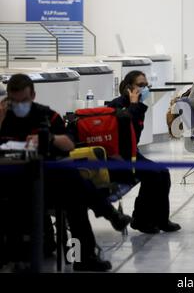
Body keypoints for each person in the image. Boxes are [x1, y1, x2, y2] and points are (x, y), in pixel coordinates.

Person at [0, 74, 128, 271]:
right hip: (12, 184)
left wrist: (48, 138)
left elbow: (69, 144)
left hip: (47, 183)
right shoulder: (3, 116)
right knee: (72, 180)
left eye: (24, 101)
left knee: (73, 194)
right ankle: (107, 214)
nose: (19, 105)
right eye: (14, 101)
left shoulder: (45, 115)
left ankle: (82, 257)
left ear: (33, 95)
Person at [107, 71, 181, 234]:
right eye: (141, 85)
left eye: (146, 85)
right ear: (128, 88)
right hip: (119, 158)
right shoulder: (116, 106)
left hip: (132, 153)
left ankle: (161, 220)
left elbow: (136, 137)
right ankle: (140, 220)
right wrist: (134, 105)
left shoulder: (138, 106)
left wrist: (136, 105)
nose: (145, 88)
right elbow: (127, 132)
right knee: (153, 174)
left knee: (163, 173)